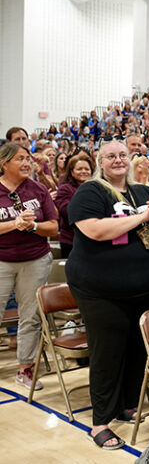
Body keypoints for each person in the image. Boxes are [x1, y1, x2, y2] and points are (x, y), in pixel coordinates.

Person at [66, 140, 149, 450]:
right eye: (111, 156)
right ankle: (100, 421)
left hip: (143, 288)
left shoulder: (142, 191)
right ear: (100, 161)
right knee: (107, 352)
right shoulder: (90, 191)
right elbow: (96, 231)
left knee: (136, 349)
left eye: (122, 155)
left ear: (130, 159)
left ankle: (126, 404)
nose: (118, 160)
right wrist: (141, 217)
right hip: (102, 291)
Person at [0, 142, 58, 389]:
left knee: (31, 317)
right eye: (20, 159)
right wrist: (15, 224)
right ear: (4, 163)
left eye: (28, 158)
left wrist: (33, 226)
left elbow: (54, 227)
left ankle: (25, 368)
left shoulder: (38, 189)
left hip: (35, 259)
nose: (26, 163)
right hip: (2, 260)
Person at [54, 153, 94, 258]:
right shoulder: (65, 189)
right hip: (71, 241)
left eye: (87, 169)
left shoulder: (98, 188)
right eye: (79, 169)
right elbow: (67, 213)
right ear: (72, 172)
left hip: (94, 239)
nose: (84, 171)